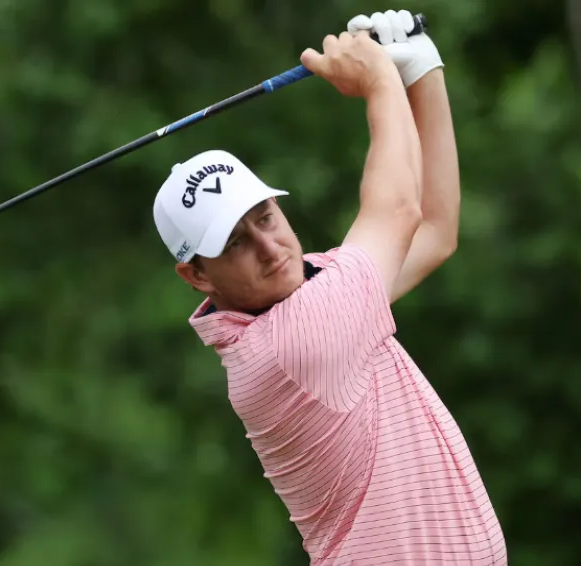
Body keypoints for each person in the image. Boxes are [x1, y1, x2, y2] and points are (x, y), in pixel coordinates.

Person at [152, 10, 506, 565]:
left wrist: (420, 70)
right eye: (235, 244)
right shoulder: (293, 343)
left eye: (264, 217)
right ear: (196, 275)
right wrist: (379, 81)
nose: (269, 248)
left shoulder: (318, 291)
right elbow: (396, 208)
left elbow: (434, 231)